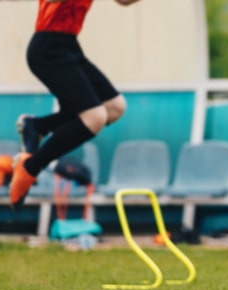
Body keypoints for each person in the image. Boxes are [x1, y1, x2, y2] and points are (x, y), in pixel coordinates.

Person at [9, 0, 141, 208]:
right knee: (95, 117)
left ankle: (38, 126)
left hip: (70, 47)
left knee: (115, 107)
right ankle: (30, 167)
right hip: (47, 49)